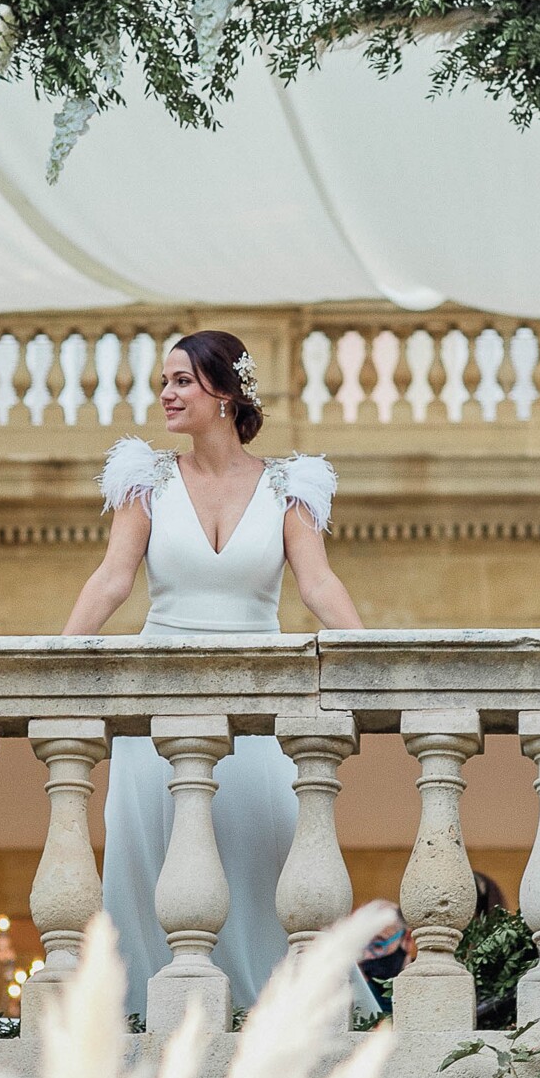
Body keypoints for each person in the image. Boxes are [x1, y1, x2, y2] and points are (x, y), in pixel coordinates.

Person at [62, 329, 369, 1017]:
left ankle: (279, 1013)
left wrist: (373, 658)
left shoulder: (291, 485)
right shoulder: (146, 479)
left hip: (259, 706)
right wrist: (49, 662)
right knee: (151, 869)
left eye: (181, 381)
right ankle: (146, 1015)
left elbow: (318, 585)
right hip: (156, 711)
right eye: (165, 381)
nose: (165, 394)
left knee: (271, 857)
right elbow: (113, 579)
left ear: (224, 392)